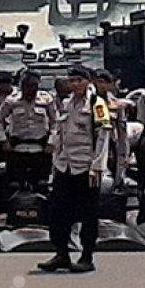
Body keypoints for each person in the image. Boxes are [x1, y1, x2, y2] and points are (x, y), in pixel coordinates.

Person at [38, 66, 111, 274]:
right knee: (58, 212)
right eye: (72, 81)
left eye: (79, 80)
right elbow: (59, 135)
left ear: (88, 82)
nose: (75, 84)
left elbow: (103, 135)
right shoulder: (67, 103)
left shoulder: (98, 104)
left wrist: (97, 167)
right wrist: (54, 164)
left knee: (88, 213)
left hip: (86, 167)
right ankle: (61, 253)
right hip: (65, 165)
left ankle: (87, 256)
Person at [0, 71, 53, 190]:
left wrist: (52, 142)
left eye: (34, 87)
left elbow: (56, 122)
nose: (31, 90)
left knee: (42, 184)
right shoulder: (12, 101)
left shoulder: (46, 100)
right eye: (28, 87)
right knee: (14, 184)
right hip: (16, 146)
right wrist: (3, 141)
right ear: (22, 87)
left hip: (41, 147)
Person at [94, 70, 131, 187]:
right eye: (97, 82)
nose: (100, 85)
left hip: (110, 144)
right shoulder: (88, 101)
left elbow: (122, 131)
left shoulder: (116, 104)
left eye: (103, 82)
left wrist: (124, 153)